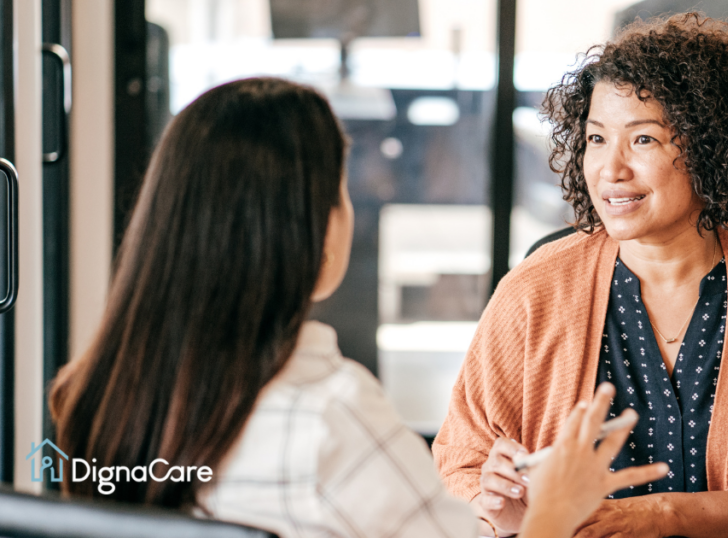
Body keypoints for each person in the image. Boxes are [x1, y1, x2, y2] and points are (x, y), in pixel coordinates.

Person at [48, 77, 666, 538]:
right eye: (342, 192)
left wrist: (501, 519)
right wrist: (556, 510)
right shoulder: (329, 415)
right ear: (311, 231)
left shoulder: (97, 394)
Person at [433, 13, 728, 538]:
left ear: (711, 146)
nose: (611, 169)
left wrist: (666, 514)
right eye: (597, 139)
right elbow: (459, 467)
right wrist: (497, 506)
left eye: (643, 140)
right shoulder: (535, 290)